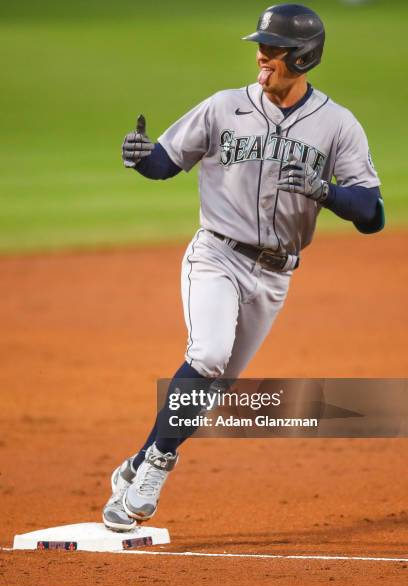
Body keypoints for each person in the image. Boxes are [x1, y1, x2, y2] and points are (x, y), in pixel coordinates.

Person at [102, 3, 384, 531]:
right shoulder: (223, 107)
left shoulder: (337, 125)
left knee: (211, 388)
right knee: (206, 356)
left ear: (303, 58)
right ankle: (156, 472)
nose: (261, 55)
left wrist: (325, 191)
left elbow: (373, 214)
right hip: (216, 255)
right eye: (262, 45)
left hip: (275, 275)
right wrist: (141, 157)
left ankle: (137, 462)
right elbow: (165, 162)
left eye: (273, 48)